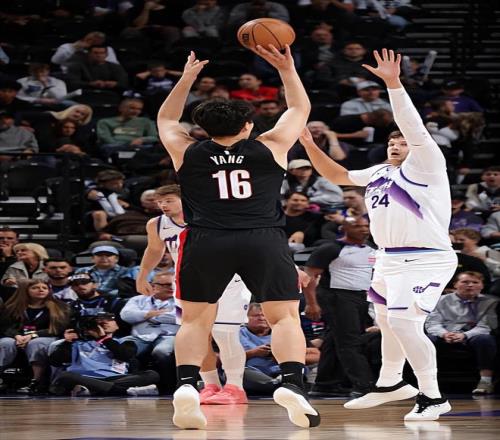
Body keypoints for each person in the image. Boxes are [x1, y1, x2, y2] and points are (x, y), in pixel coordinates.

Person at [155, 45, 320, 429]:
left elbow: (165, 118)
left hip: (206, 239)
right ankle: (292, 384)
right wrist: (287, 68)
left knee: (195, 321)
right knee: (284, 318)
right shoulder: (271, 146)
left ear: (203, 128)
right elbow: (299, 108)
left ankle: (186, 385)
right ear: (247, 126)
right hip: (263, 238)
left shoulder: (186, 150)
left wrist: (187, 78)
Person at [301, 49, 458, 421]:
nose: (395, 144)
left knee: (404, 323)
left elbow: (413, 126)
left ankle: (433, 396)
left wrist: (393, 84)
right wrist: (309, 146)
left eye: (402, 141)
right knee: (387, 323)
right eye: (392, 141)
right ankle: (390, 383)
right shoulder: (378, 172)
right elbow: (337, 175)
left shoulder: (428, 166)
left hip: (426, 256)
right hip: (388, 257)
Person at [135, 185, 251, 405]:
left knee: (224, 333)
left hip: (228, 280)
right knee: (197, 336)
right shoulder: (156, 224)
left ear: (185, 199)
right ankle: (210, 385)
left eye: (169, 200)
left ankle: (235, 387)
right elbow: (154, 250)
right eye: (160, 202)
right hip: (188, 282)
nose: (163, 205)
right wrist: (142, 275)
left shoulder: (211, 216)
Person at [303, 216, 376, 397]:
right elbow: (309, 276)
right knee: (349, 341)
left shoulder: (370, 249)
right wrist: (312, 303)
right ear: (344, 229)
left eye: (366, 226)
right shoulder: (331, 248)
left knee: (334, 339)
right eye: (357, 226)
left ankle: (325, 384)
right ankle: (364, 385)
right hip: (337, 296)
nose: (364, 229)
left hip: (361, 296)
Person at [49, 313, 159, 396]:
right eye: (99, 321)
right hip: (84, 377)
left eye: (108, 320)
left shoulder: (125, 342)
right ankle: (123, 391)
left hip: (115, 378)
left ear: (117, 326)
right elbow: (55, 362)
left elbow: (125, 356)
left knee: (152, 374)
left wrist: (104, 338)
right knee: (66, 376)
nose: (104, 323)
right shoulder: (77, 344)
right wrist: (67, 342)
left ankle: (93, 390)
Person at [426, 272, 499, 394]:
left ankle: (485, 381)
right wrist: (444, 334)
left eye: (475, 282)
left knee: (485, 339)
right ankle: (427, 382)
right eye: (465, 282)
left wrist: (465, 335)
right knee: (426, 341)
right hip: (445, 334)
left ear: (482, 286)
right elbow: (433, 323)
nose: (470, 285)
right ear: (455, 284)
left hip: (472, 335)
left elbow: (485, 326)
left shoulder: (491, 302)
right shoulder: (439, 300)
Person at [0, 280, 69, 394]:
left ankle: (36, 381)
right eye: (35, 288)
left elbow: (58, 328)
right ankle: (1, 377)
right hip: (18, 337)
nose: (41, 290)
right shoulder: (13, 306)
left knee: (36, 343)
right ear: (25, 290)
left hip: (46, 337)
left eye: (44, 288)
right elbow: (5, 326)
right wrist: (16, 335)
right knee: (5, 343)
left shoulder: (60, 307)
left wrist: (33, 335)